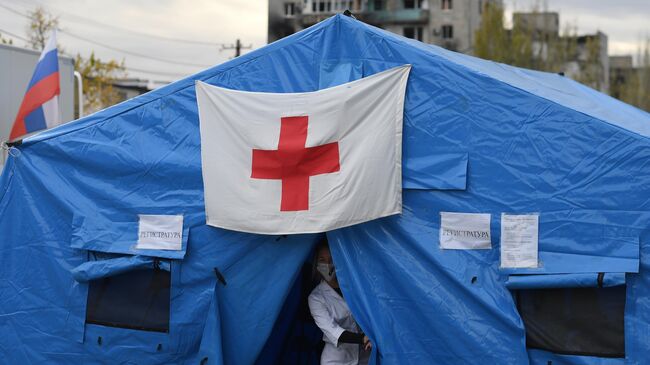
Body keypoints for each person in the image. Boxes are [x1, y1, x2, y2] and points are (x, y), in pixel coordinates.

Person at [308, 238, 372, 365]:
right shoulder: (316, 297)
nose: (327, 264)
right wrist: (363, 338)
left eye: (332, 259)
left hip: (365, 355)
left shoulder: (354, 287)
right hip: (336, 359)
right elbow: (333, 331)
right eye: (322, 260)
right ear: (316, 264)